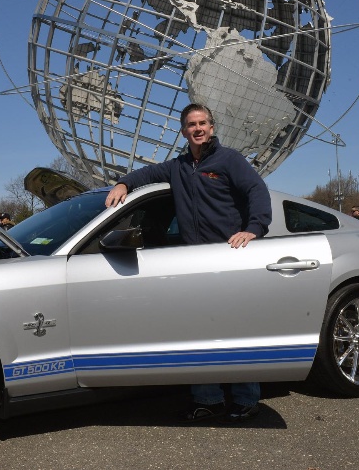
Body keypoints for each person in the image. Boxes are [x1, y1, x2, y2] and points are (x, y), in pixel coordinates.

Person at [105, 103, 271, 424]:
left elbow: (256, 191)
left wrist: (253, 229)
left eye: (203, 123)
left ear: (211, 127)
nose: (198, 129)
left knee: (234, 332)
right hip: (193, 264)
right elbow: (147, 174)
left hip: (228, 259)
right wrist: (124, 183)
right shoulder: (178, 167)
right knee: (199, 333)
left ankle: (247, 399)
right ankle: (208, 400)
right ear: (184, 131)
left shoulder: (230, 160)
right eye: (192, 124)